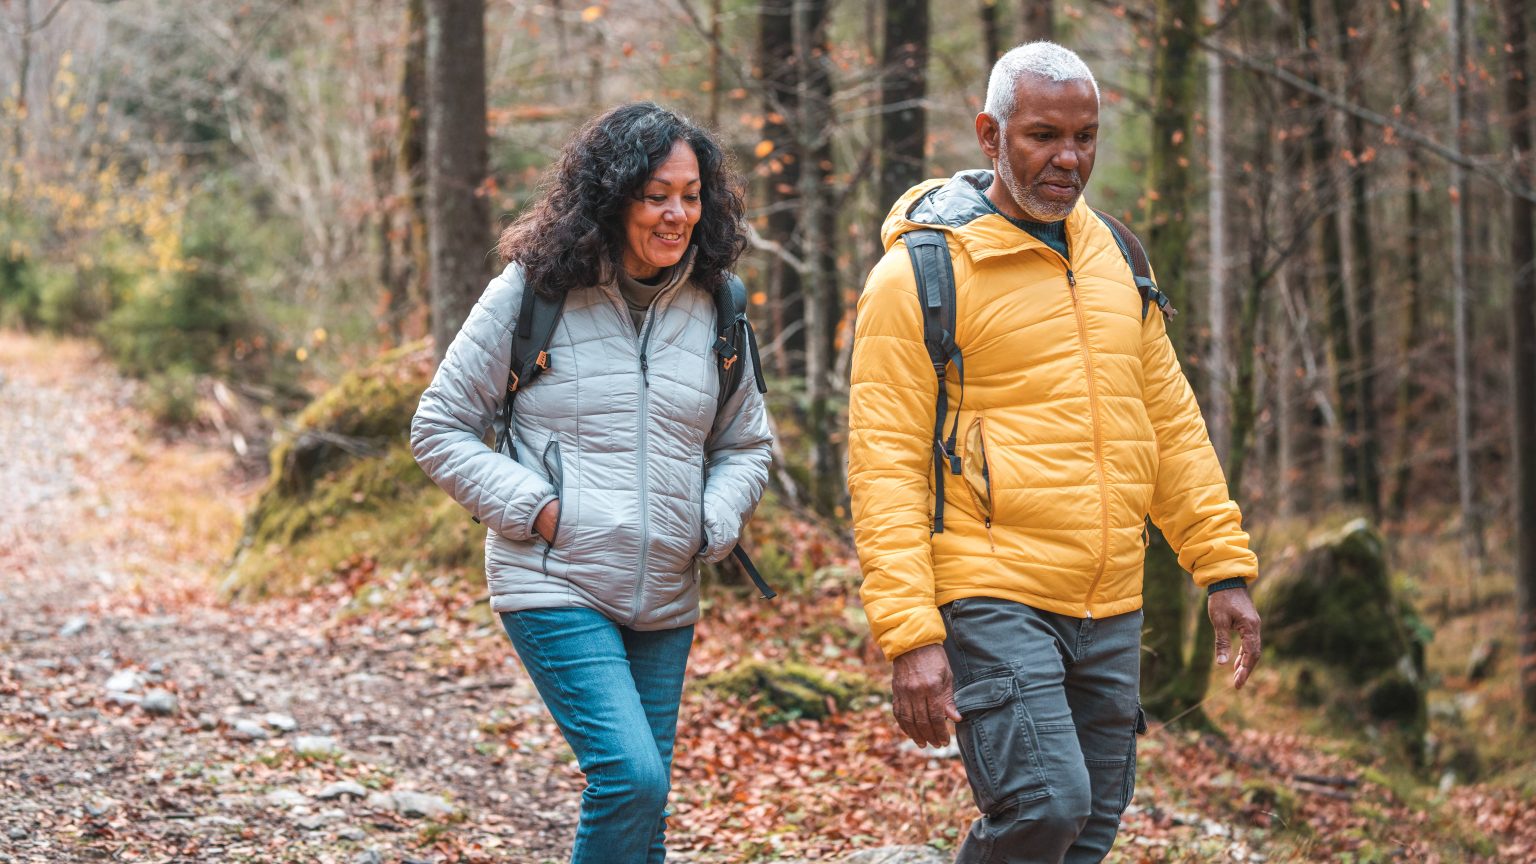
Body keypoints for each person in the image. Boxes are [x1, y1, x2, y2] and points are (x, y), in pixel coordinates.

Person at [847, 42, 1263, 863]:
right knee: (1045, 806)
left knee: (1091, 827)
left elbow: (1167, 423)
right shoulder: (920, 273)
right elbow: (883, 463)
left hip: (1109, 597)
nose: (1068, 158)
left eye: (1085, 136)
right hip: (990, 586)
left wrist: (1221, 567)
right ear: (990, 135)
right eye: (1043, 135)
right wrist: (910, 635)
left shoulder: (1119, 258)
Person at [410, 102, 771, 864]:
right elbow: (438, 425)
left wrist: (712, 518)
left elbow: (745, 444)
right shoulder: (534, 291)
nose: (677, 214)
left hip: (666, 593)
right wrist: (540, 509)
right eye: (656, 195)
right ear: (611, 197)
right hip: (555, 577)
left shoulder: (718, 304)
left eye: (691, 195)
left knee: (648, 810)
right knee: (630, 778)